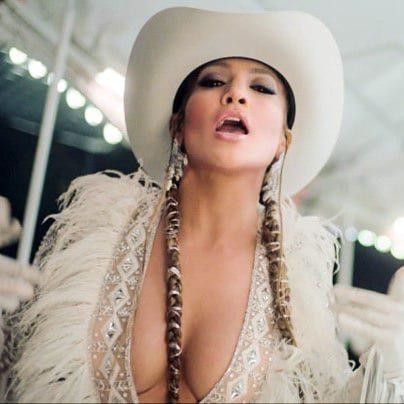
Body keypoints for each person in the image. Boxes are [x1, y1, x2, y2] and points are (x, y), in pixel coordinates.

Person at [1, 6, 404, 403]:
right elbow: (19, 372)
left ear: (283, 141)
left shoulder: (297, 280)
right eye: (212, 82)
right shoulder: (99, 230)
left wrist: (390, 375)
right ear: (178, 125)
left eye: (261, 88)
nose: (235, 94)